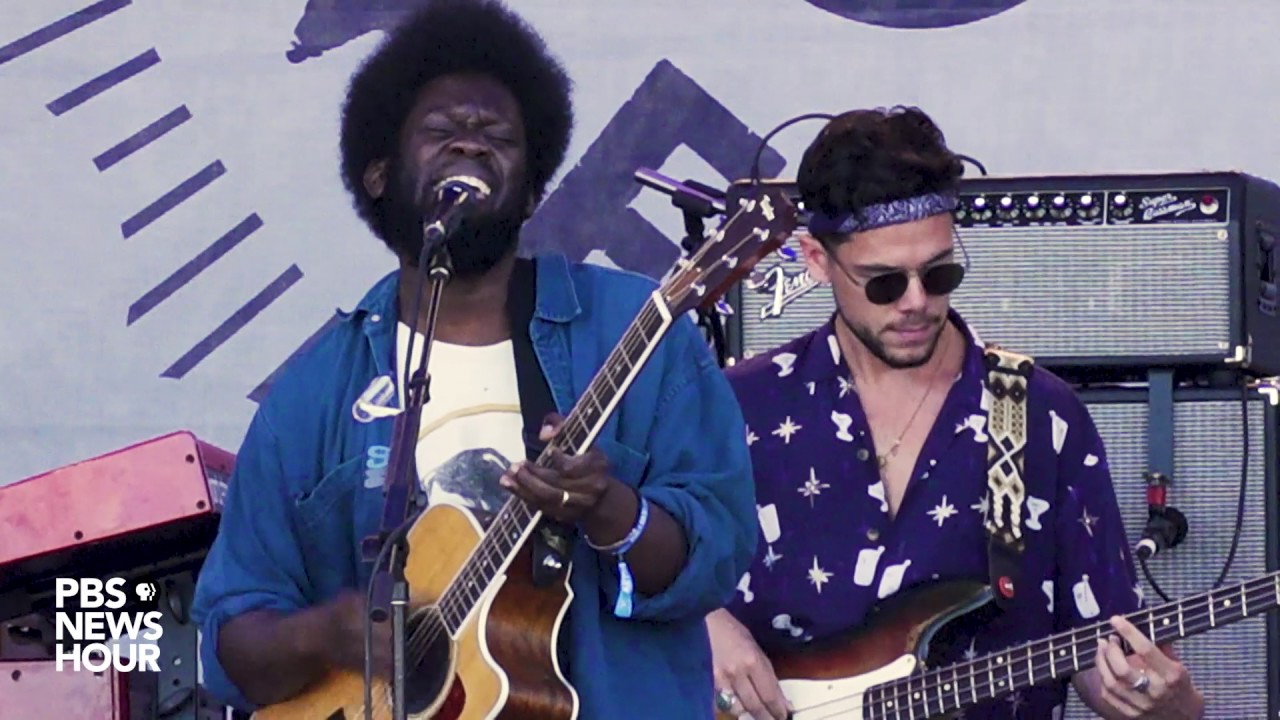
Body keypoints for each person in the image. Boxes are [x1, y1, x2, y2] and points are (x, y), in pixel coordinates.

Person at [190, 1, 758, 717]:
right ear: (376, 175)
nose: (472, 145)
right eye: (440, 132)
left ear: (532, 190)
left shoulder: (638, 332)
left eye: (498, 136)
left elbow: (718, 556)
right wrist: (325, 635)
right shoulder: (314, 394)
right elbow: (229, 640)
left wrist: (610, 509)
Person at [707, 107, 1205, 719]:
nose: (916, 302)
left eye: (939, 272)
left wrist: (1172, 706)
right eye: (883, 282)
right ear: (816, 261)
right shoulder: (739, 406)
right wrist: (702, 624)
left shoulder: (1040, 414)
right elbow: (621, 564)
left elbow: (1106, 656)